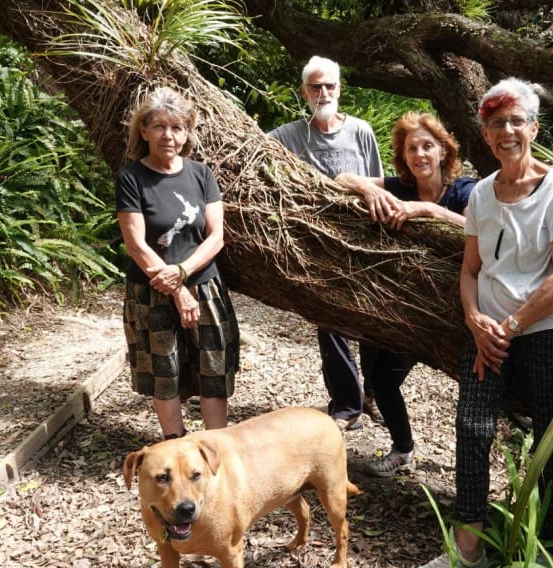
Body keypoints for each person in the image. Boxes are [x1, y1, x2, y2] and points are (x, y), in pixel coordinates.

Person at [407, 78, 553, 568]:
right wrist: (473, 319)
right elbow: (470, 270)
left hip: (547, 329)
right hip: (486, 329)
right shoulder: (482, 194)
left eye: (515, 121)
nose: (506, 131)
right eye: (495, 123)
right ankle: (468, 554)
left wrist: (507, 327)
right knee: (472, 428)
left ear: (532, 127)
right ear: (484, 134)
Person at [335, 111, 476, 476]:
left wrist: (429, 210)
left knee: (387, 380)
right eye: (412, 148)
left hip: (452, 310)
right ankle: (403, 450)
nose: (420, 155)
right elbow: (341, 178)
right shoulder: (400, 188)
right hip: (403, 306)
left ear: (443, 151)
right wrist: (368, 188)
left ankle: (415, 454)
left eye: (428, 146)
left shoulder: (464, 191)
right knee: (378, 376)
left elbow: (483, 228)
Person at [268, 55, 385, 432]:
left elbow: (378, 184)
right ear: (304, 91)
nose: (323, 92)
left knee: (374, 322)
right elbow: (257, 153)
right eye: (315, 86)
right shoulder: (289, 135)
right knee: (329, 325)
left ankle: (375, 395)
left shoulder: (361, 131)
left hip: (363, 242)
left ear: (339, 88)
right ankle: (347, 404)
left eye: (329, 85)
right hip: (317, 248)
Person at [116, 86, 240, 439]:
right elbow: (135, 243)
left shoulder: (201, 174)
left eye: (176, 127)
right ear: (144, 131)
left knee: (213, 370)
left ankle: (217, 447)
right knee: (164, 373)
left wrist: (184, 274)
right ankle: (176, 445)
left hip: (204, 286)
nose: (167, 135)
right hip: (151, 290)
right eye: (158, 126)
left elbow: (216, 236)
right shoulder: (131, 177)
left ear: (187, 134)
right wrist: (176, 290)